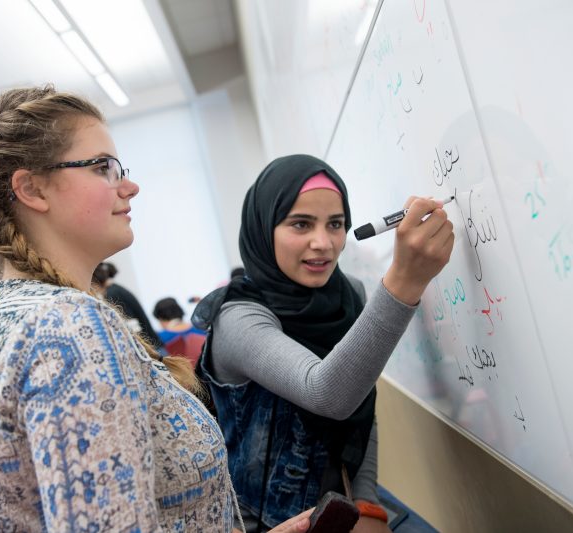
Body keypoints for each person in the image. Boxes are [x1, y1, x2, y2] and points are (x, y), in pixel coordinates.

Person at [0, 86, 313, 532]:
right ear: (31, 189)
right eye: (102, 167)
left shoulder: (6, 308)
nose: (130, 185)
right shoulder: (68, 327)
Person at [192, 155, 455, 532]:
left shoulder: (350, 293)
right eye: (301, 224)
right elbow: (328, 394)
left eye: (335, 224)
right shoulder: (238, 318)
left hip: (340, 510)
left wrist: (367, 503)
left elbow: (362, 407)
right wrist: (405, 280)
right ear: (264, 228)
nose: (323, 243)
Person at [97, 261, 163, 349]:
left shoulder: (112, 294)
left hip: (150, 348)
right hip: (152, 344)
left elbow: (131, 325)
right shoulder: (116, 289)